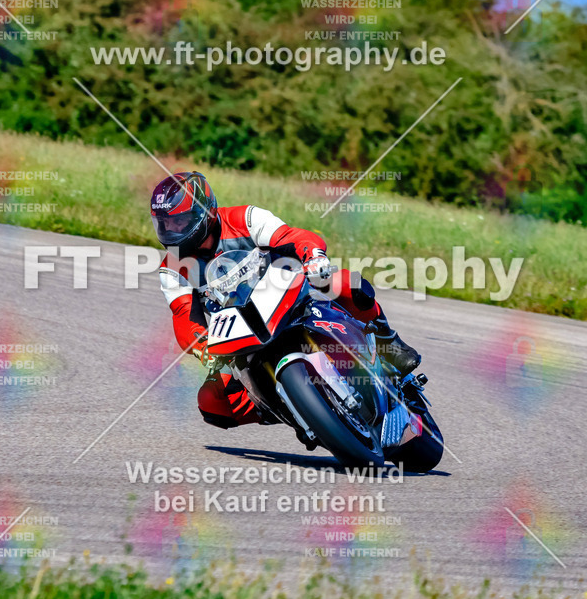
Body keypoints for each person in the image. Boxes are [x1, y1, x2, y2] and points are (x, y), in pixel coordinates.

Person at [151, 171, 421, 430]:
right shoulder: (172, 267)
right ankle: (280, 405)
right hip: (238, 329)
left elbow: (291, 237)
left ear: (204, 213)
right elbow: (184, 317)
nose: (171, 230)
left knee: (345, 283)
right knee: (211, 401)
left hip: (286, 292)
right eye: (164, 224)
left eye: (179, 221)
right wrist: (202, 348)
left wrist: (313, 256)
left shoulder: (245, 218)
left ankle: (387, 341)